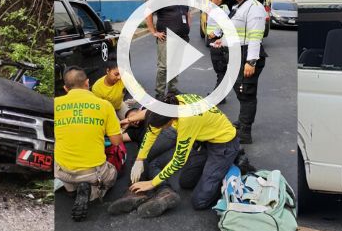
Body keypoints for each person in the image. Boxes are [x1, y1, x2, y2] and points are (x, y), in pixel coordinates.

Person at [108, 93, 240, 218]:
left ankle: (231, 164)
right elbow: (152, 132)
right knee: (186, 183)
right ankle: (214, 169)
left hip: (223, 145)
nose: (161, 130)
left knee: (199, 202)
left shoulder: (187, 120)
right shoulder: (168, 105)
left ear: (170, 120)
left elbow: (179, 160)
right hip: (203, 142)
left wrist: (152, 183)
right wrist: (139, 158)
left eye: (163, 127)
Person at [54, 66, 124, 221]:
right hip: (93, 173)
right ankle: (94, 191)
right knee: (115, 164)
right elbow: (116, 141)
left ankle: (71, 189)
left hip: (62, 171)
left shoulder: (54, 104)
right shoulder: (105, 105)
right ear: (87, 83)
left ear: (65, 88)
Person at [228, 0, 268, 144]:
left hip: (249, 55)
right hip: (238, 53)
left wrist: (251, 61)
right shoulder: (239, 7)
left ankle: (245, 131)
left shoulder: (255, 7)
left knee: (247, 93)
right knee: (240, 89)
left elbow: (255, 37)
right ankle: (242, 120)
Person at [146, 0, 191, 100]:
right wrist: (153, 32)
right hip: (166, 38)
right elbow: (148, 12)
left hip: (182, 37)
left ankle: (172, 89)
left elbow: (187, 14)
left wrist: (187, 28)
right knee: (164, 67)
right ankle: (159, 93)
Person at [206, 0, 230, 103]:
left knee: (221, 70)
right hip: (215, 41)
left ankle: (218, 97)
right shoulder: (218, 8)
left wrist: (215, 33)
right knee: (220, 70)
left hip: (218, 42)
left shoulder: (222, 10)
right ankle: (220, 95)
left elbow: (226, 23)